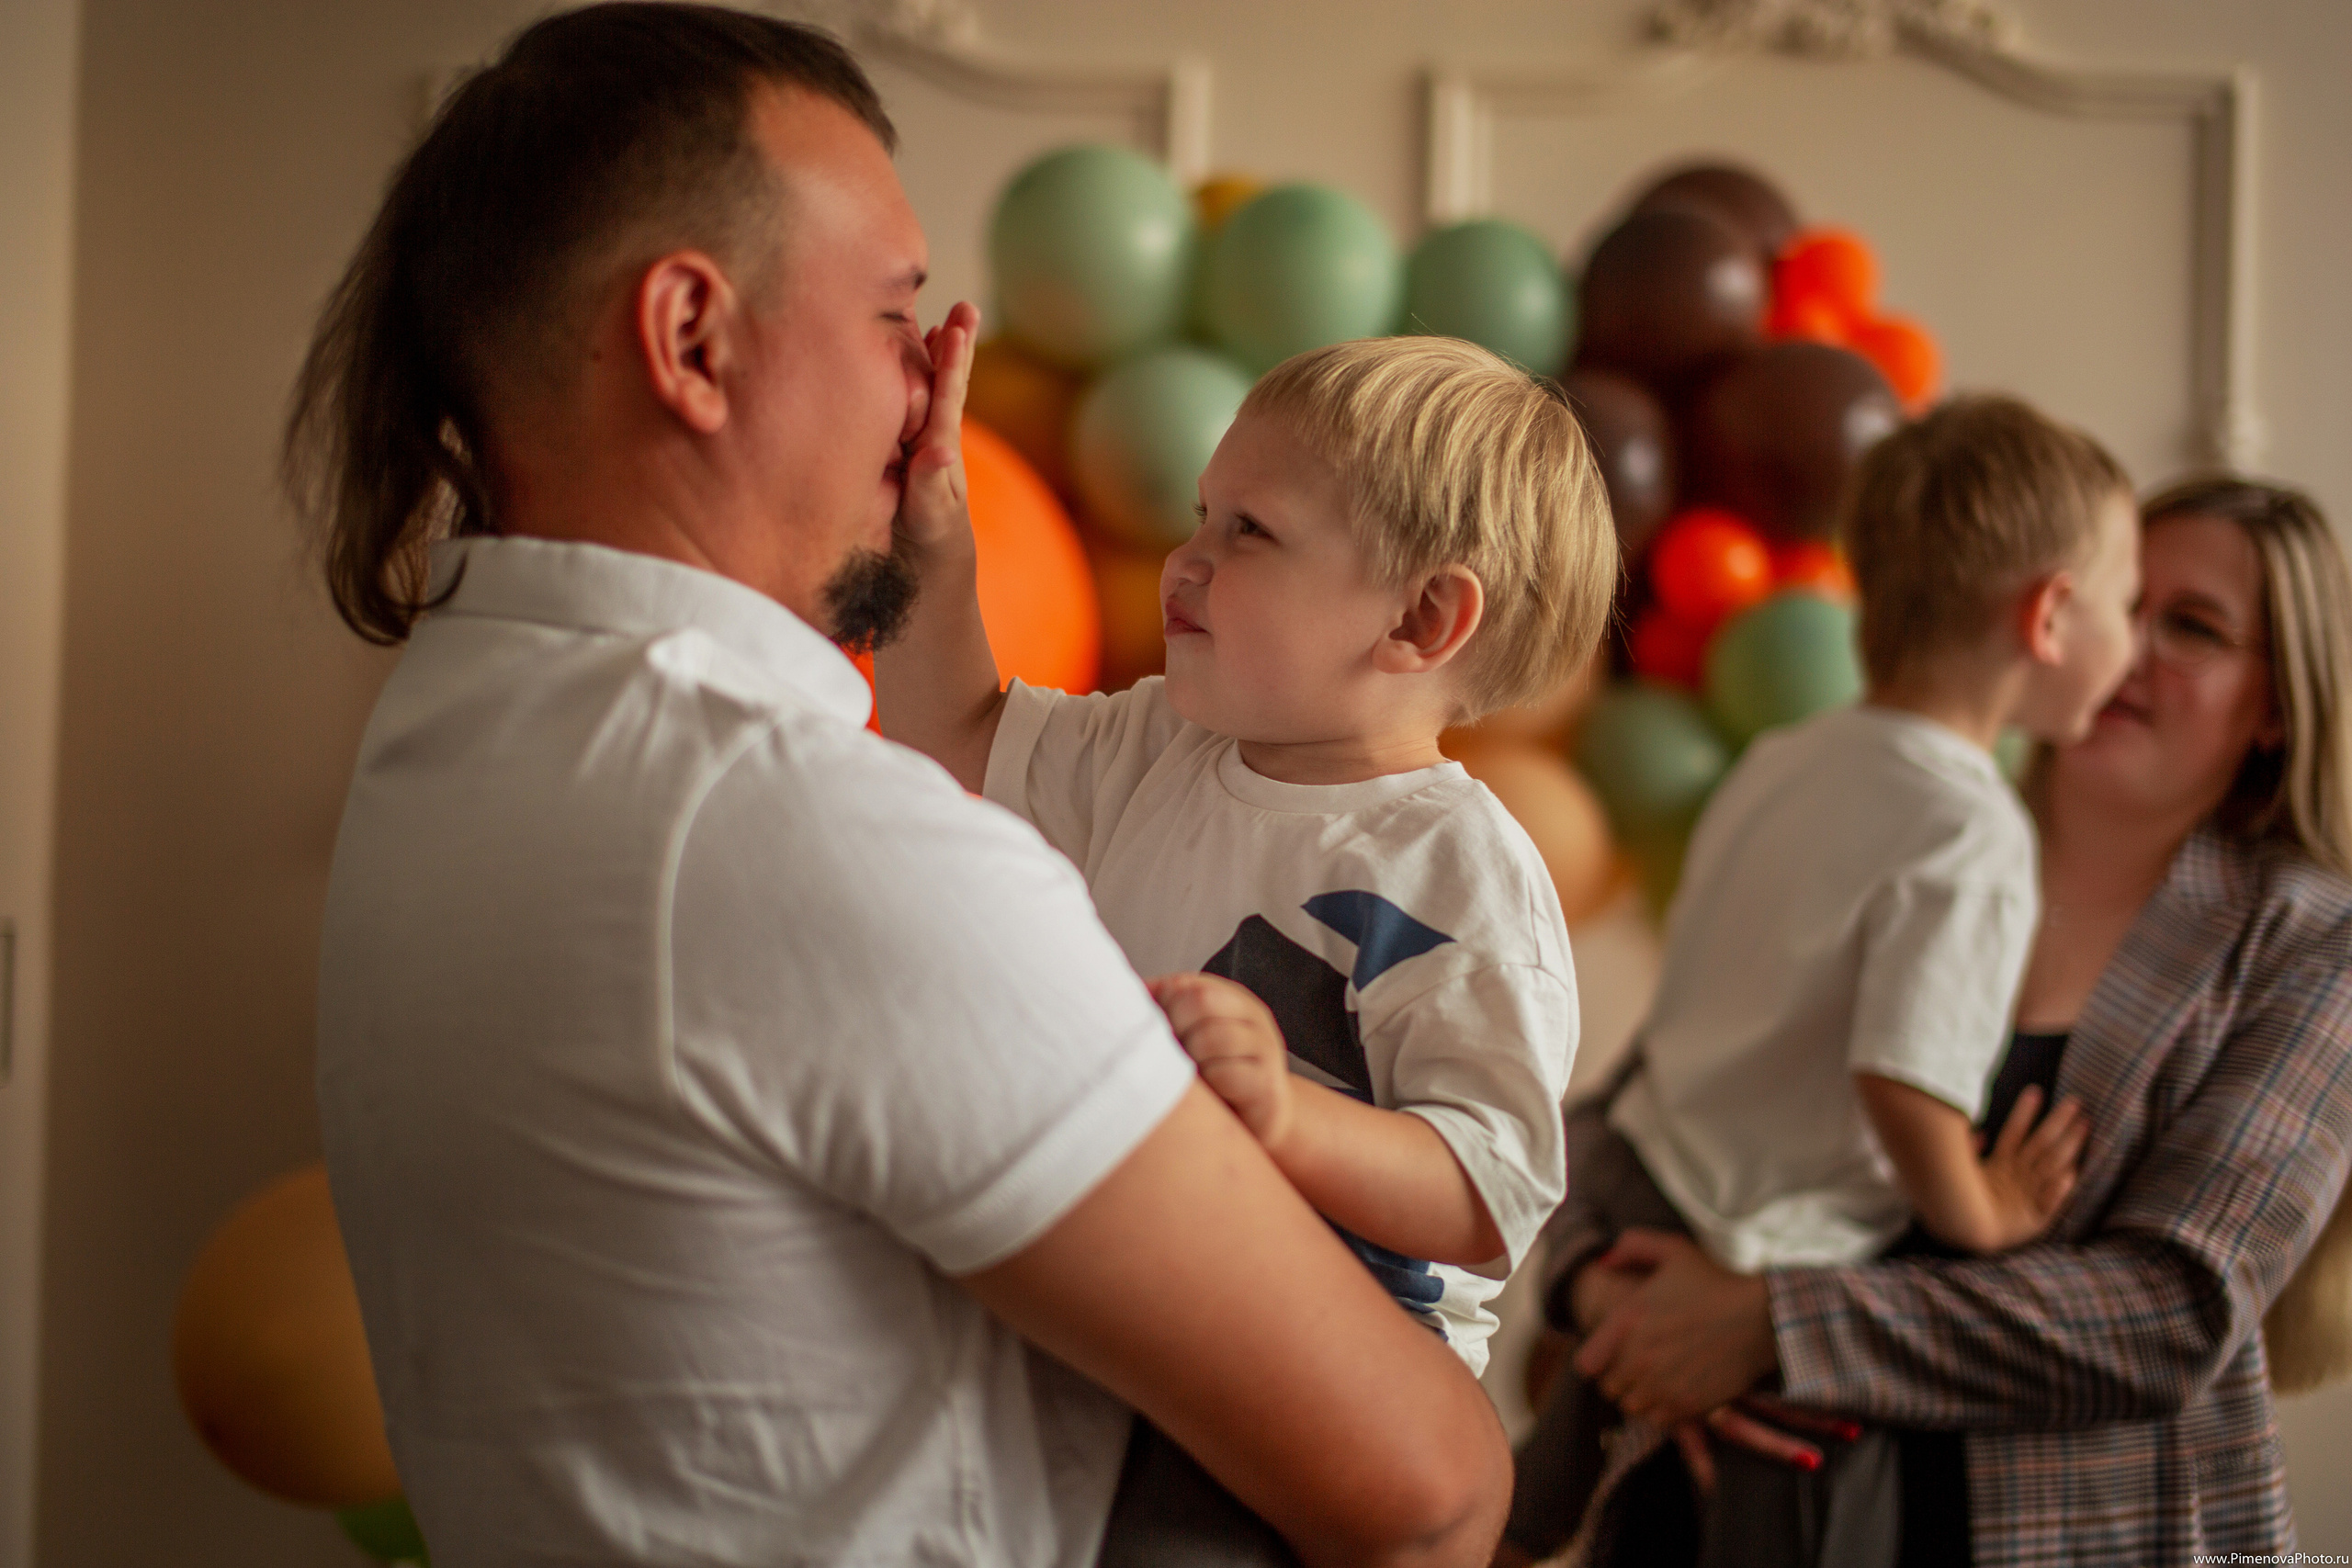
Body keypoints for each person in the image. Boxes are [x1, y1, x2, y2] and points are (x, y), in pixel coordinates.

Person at [288, 6, 1510, 1563]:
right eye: (892, 314)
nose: (937, 388)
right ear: (692, 341)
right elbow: (1430, 1491)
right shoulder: (789, 833)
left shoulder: (448, 743)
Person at [1534, 475, 2352, 1567]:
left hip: (2076, 1536)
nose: (2127, 647)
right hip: (1722, 1506)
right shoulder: (1916, 824)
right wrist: (1606, 1287)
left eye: (2193, 627)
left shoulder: (2309, 938)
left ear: (2278, 705)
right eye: (2118, 600)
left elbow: (2174, 1310)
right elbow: (1655, 1095)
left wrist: (1777, 1324)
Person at [878, 334, 1615, 1379]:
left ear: (1420, 618)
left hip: (1342, 1375)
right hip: (1139, 1313)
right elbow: (949, 734)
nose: (1185, 559)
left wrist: (1280, 1111)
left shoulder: (1457, 870)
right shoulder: (1159, 746)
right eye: (1200, 516)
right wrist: (936, 543)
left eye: (1249, 530)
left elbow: (1491, 1196)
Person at [1497, 396, 2137, 1564]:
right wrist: (1979, 1209)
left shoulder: (1784, 758)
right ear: (2049, 616)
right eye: (2129, 606)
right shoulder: (1972, 828)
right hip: (1767, 1243)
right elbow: (1903, 1080)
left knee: (1542, 1499)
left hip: (1652, 1171)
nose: (2131, 643)